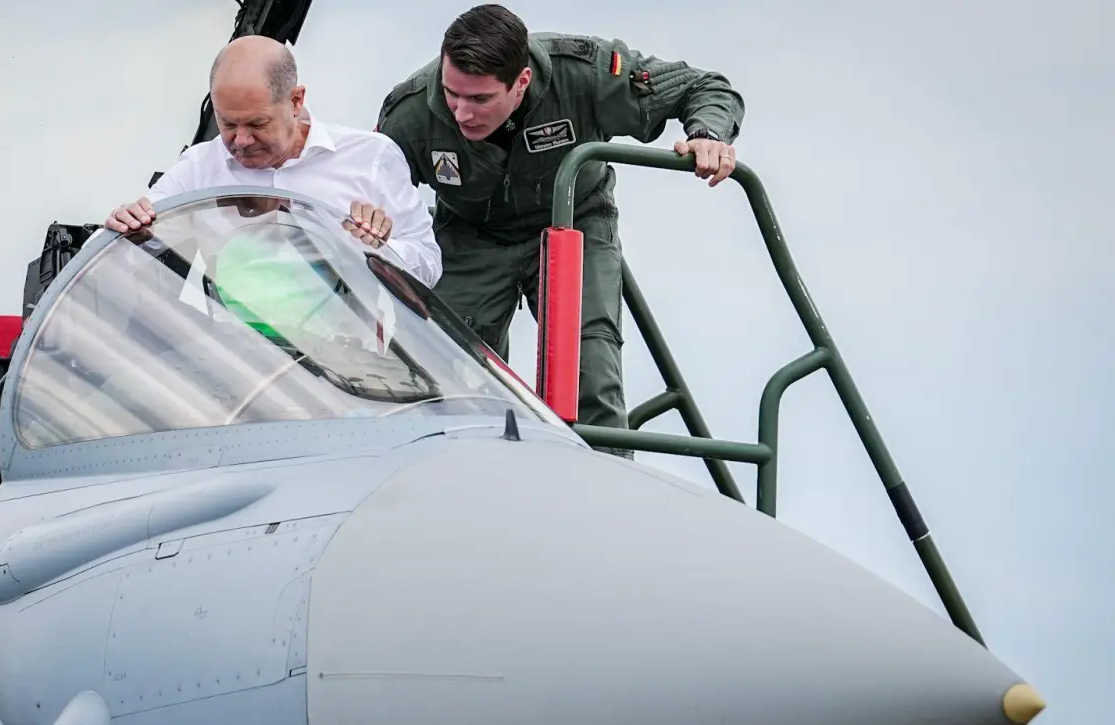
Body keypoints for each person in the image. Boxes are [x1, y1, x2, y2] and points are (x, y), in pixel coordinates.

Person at [374, 4, 745, 454]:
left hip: (572, 222)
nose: (461, 112)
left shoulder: (584, 73)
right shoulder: (411, 110)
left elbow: (703, 86)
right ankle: (465, 490)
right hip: (471, 234)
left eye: (480, 99)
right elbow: (370, 184)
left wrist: (708, 133)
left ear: (522, 82)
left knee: (588, 370)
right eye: (452, 94)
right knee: (448, 376)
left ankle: (602, 493)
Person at [105, 35, 442, 288]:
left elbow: (428, 266)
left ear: (296, 100)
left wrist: (377, 249)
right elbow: (118, 254)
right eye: (227, 124)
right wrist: (123, 225)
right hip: (234, 361)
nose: (241, 140)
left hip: (351, 366)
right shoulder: (198, 167)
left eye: (256, 124)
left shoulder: (371, 157)